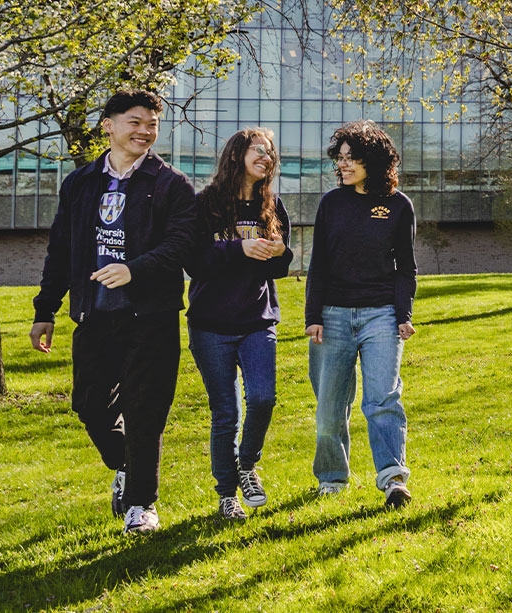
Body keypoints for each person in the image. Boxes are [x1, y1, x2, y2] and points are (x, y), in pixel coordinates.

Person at [30, 90, 198, 534]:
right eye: (135, 122)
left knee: (146, 411)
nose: (145, 132)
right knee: (89, 406)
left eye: (152, 125)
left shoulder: (171, 184)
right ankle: (126, 465)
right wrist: (46, 308)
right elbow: (61, 250)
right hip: (95, 315)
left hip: (151, 317)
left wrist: (134, 270)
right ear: (108, 124)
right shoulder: (81, 182)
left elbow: (182, 244)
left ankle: (142, 505)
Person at [305, 120, 418, 508]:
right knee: (329, 408)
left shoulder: (399, 206)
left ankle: (393, 479)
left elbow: (406, 266)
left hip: (381, 316)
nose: (344, 165)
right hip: (333, 314)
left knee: (383, 399)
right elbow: (317, 264)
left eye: (352, 158)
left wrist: (403, 313)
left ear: (373, 159)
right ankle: (332, 479)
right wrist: (313, 316)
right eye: (340, 158)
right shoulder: (331, 204)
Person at [185, 128, 293, 520]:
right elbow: (193, 261)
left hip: (257, 320)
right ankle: (226, 495)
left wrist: (281, 252)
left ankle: (247, 464)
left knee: (263, 398)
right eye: (258, 151)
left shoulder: (273, 205)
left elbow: (280, 267)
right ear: (236, 155)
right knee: (225, 413)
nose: (267, 157)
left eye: (270, 153)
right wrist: (238, 247)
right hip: (210, 324)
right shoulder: (206, 204)